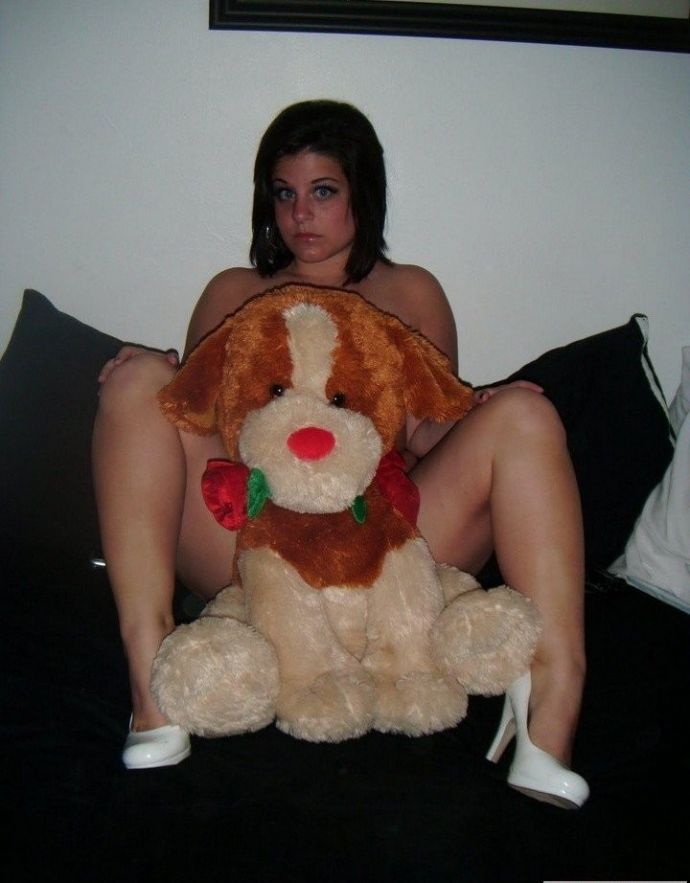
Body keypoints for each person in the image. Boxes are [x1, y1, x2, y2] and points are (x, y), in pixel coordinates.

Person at [93, 99, 589, 808]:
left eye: (323, 191)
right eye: (284, 194)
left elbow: (423, 434)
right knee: (136, 381)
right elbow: (206, 425)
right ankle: (152, 687)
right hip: (256, 546)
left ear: (363, 192)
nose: (301, 214)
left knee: (527, 415)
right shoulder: (235, 292)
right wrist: (158, 373)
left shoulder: (409, 290)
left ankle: (553, 703)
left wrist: (482, 408)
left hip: (382, 551)